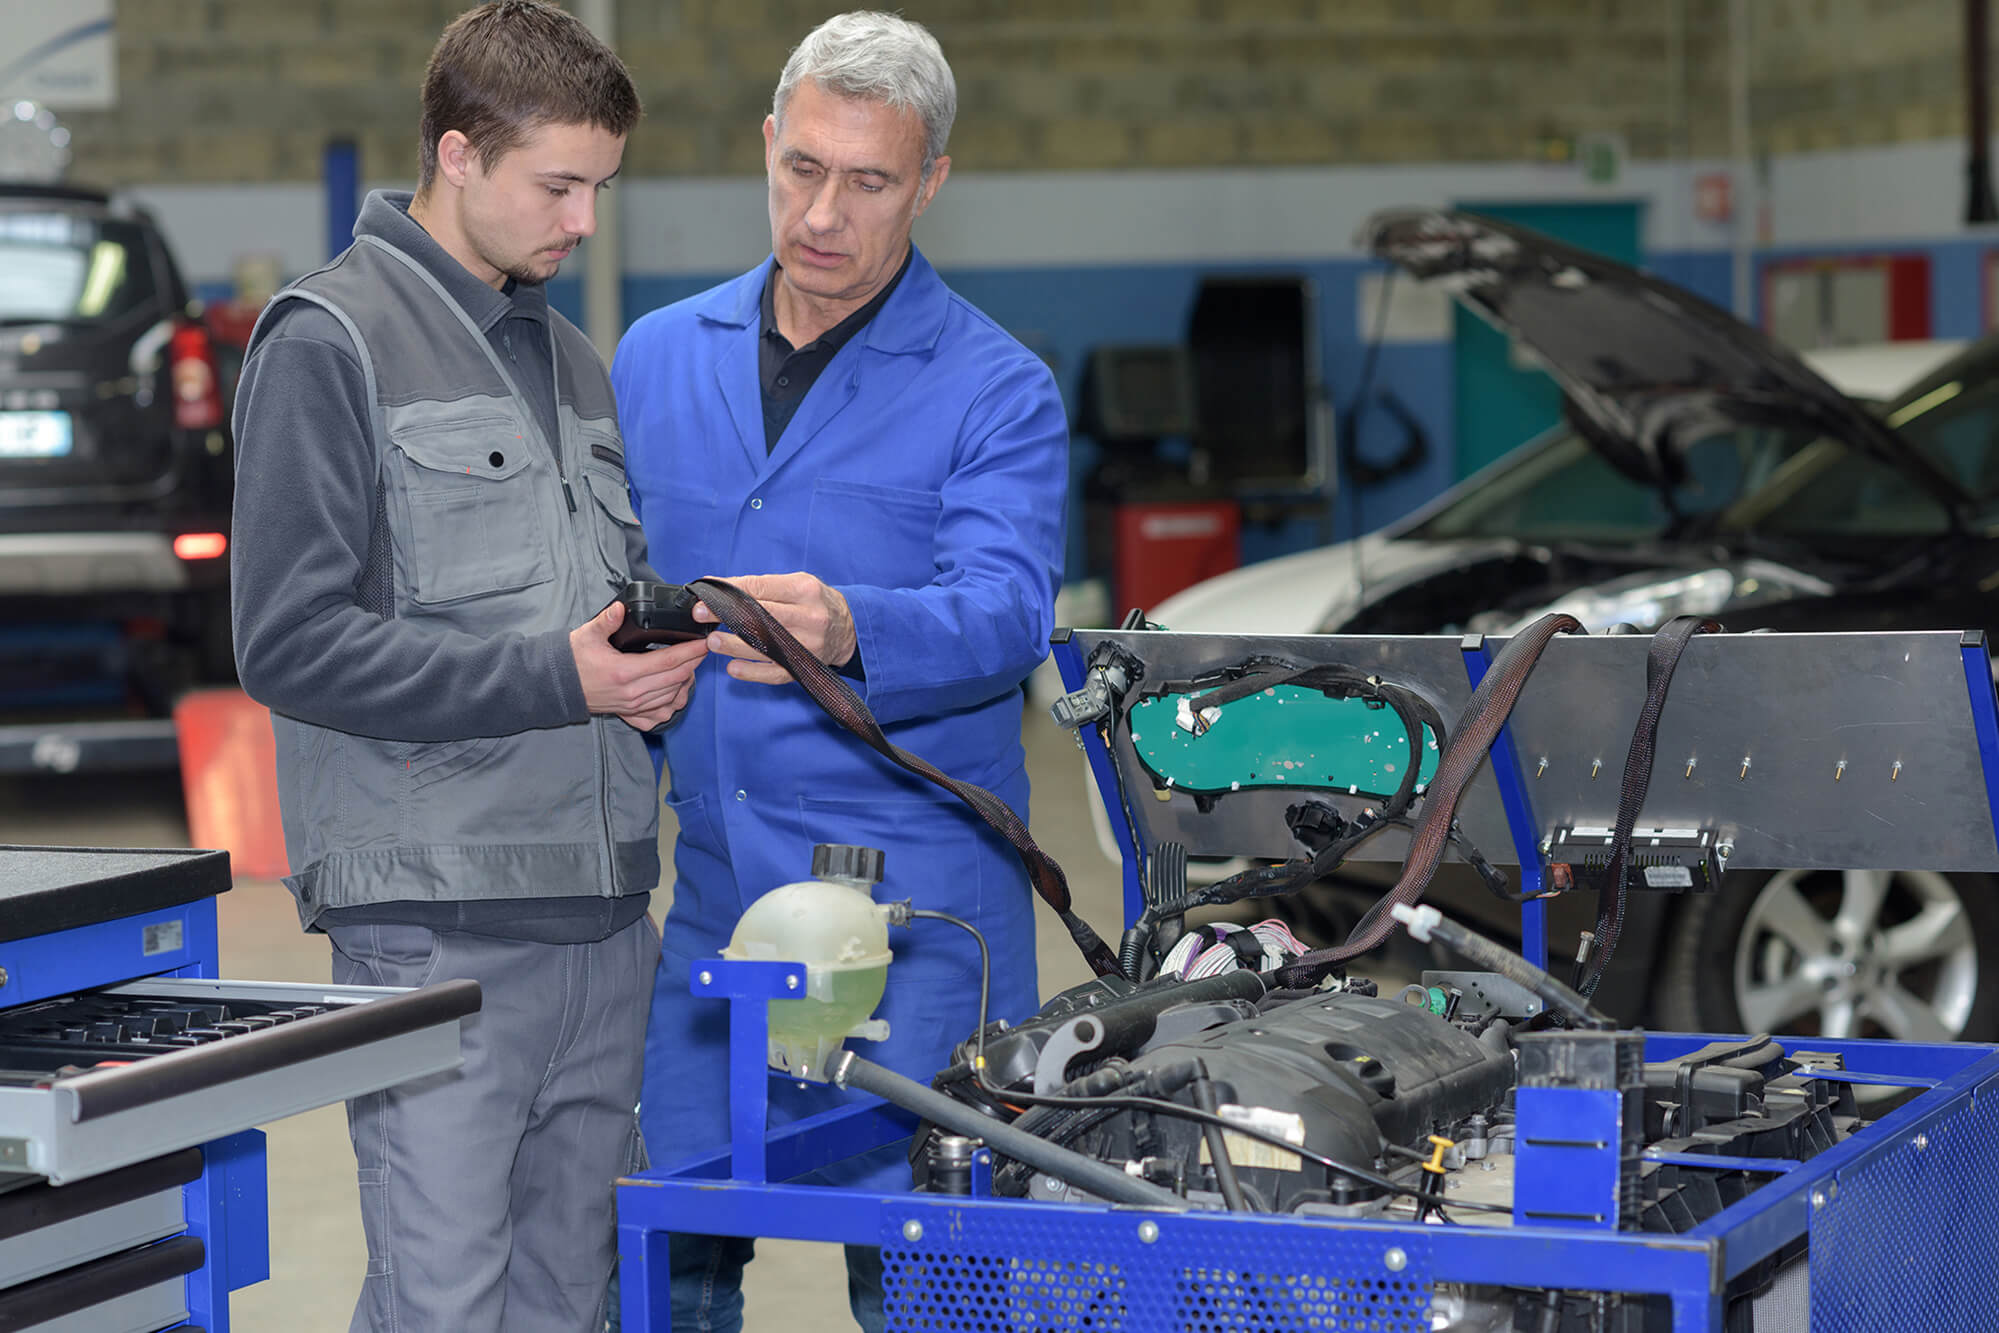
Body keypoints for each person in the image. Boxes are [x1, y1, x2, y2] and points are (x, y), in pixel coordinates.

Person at [229, 5, 706, 1329]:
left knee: (575, 1303)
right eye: (561, 185)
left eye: (602, 187)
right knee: (446, 1305)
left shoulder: (573, 364)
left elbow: (578, 611)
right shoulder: (329, 342)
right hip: (438, 928)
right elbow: (288, 639)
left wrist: (646, 668)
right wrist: (561, 680)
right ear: (458, 153)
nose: (586, 223)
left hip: (606, 922)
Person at [612, 11, 1069, 1330]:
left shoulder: (998, 388)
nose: (824, 212)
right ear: (766, 144)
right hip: (717, 910)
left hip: (919, 925)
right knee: (668, 1266)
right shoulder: (657, 358)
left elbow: (1006, 613)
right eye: (802, 167)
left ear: (929, 183)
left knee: (930, 1286)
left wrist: (848, 624)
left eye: (868, 181)